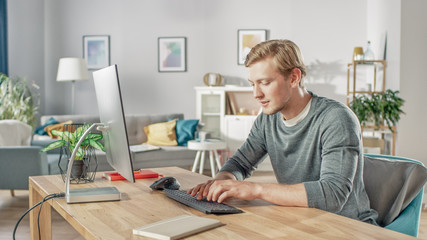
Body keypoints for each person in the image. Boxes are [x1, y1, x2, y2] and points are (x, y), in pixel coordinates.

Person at [188, 39, 378, 224]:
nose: (256, 94)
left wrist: (256, 190)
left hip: (348, 226)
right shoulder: (267, 119)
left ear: (294, 78)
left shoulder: (336, 118)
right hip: (302, 221)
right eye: (252, 83)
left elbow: (332, 195)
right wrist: (220, 184)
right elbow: (240, 163)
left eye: (264, 82)